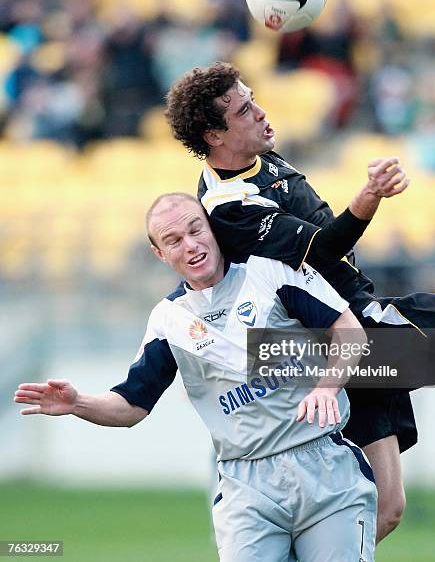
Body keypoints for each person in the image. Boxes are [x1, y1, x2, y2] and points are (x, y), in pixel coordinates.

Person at [163, 61, 435, 542]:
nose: (259, 112)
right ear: (214, 135)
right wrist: (369, 195)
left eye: (253, 98)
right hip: (344, 340)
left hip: (350, 332)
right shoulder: (228, 204)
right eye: (243, 110)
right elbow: (321, 250)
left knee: (386, 509)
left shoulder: (260, 158)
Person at [15, 193, 377, 562]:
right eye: (174, 240)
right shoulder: (169, 320)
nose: (191, 245)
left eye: (195, 230)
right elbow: (131, 405)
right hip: (247, 486)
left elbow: (350, 331)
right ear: (160, 253)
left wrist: (326, 389)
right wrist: (78, 403)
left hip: (325, 468)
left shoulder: (270, 273)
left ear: (212, 229)